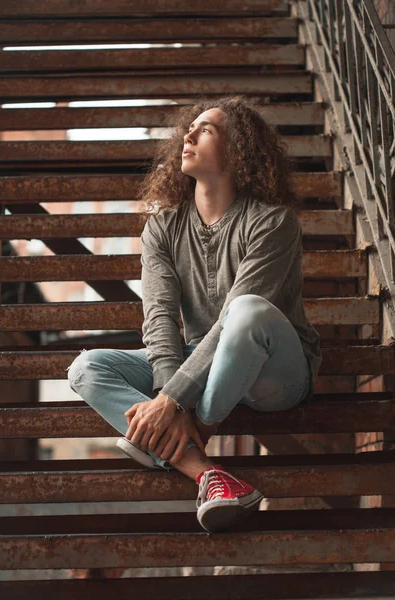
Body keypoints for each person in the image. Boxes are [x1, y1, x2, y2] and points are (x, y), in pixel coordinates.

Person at [66, 94, 322, 534]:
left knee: (245, 311)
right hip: (198, 371)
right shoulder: (162, 228)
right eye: (190, 128)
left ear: (238, 149)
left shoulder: (273, 222)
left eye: (206, 129)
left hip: (274, 370)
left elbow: (234, 323)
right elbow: (160, 317)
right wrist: (170, 390)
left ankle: (190, 432)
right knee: (87, 367)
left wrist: (171, 403)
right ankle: (206, 473)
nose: (187, 134)